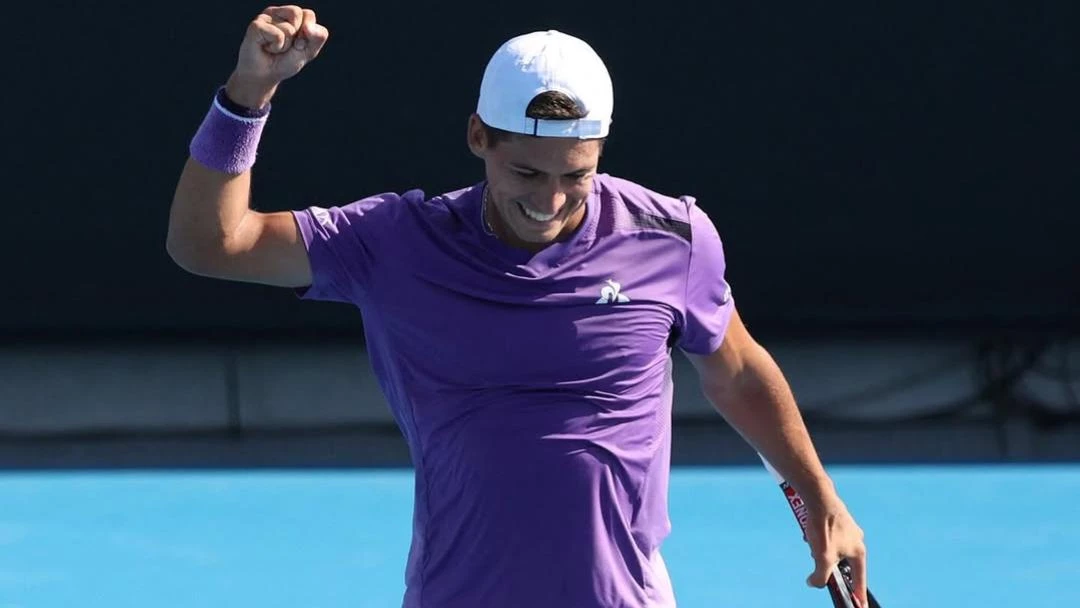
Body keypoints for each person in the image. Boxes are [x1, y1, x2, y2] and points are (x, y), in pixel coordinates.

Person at [167, 6, 870, 607]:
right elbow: (211, 243)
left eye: (577, 176)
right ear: (479, 137)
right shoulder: (394, 241)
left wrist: (814, 492)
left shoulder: (674, 238)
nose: (551, 200)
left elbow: (737, 368)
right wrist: (248, 96)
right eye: (526, 172)